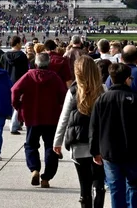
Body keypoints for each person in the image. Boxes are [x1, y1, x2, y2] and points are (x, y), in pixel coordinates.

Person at [89, 63, 137, 208]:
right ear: (127, 79)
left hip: (109, 151)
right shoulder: (136, 98)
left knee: (116, 188)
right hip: (133, 149)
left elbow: (94, 127)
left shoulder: (102, 100)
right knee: (135, 186)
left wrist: (94, 150)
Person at [54, 56, 106, 208]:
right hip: (99, 144)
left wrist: (57, 141)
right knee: (99, 182)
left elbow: (64, 118)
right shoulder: (103, 89)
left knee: (84, 185)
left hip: (79, 143)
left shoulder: (73, 91)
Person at [12, 53, 67, 188]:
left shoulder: (28, 75)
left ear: (36, 63)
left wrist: (18, 106)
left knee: (31, 145)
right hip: (51, 117)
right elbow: (63, 95)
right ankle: (46, 178)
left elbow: (14, 90)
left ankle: (34, 168)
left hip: (32, 116)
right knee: (51, 147)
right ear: (49, 64)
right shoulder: (55, 77)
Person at [1, 35, 30, 135]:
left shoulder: (4, 56)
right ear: (17, 43)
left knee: (10, 102)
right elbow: (25, 71)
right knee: (18, 104)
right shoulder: (22, 56)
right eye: (20, 42)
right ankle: (14, 125)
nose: (21, 44)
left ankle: (13, 122)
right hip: (19, 82)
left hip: (7, 82)